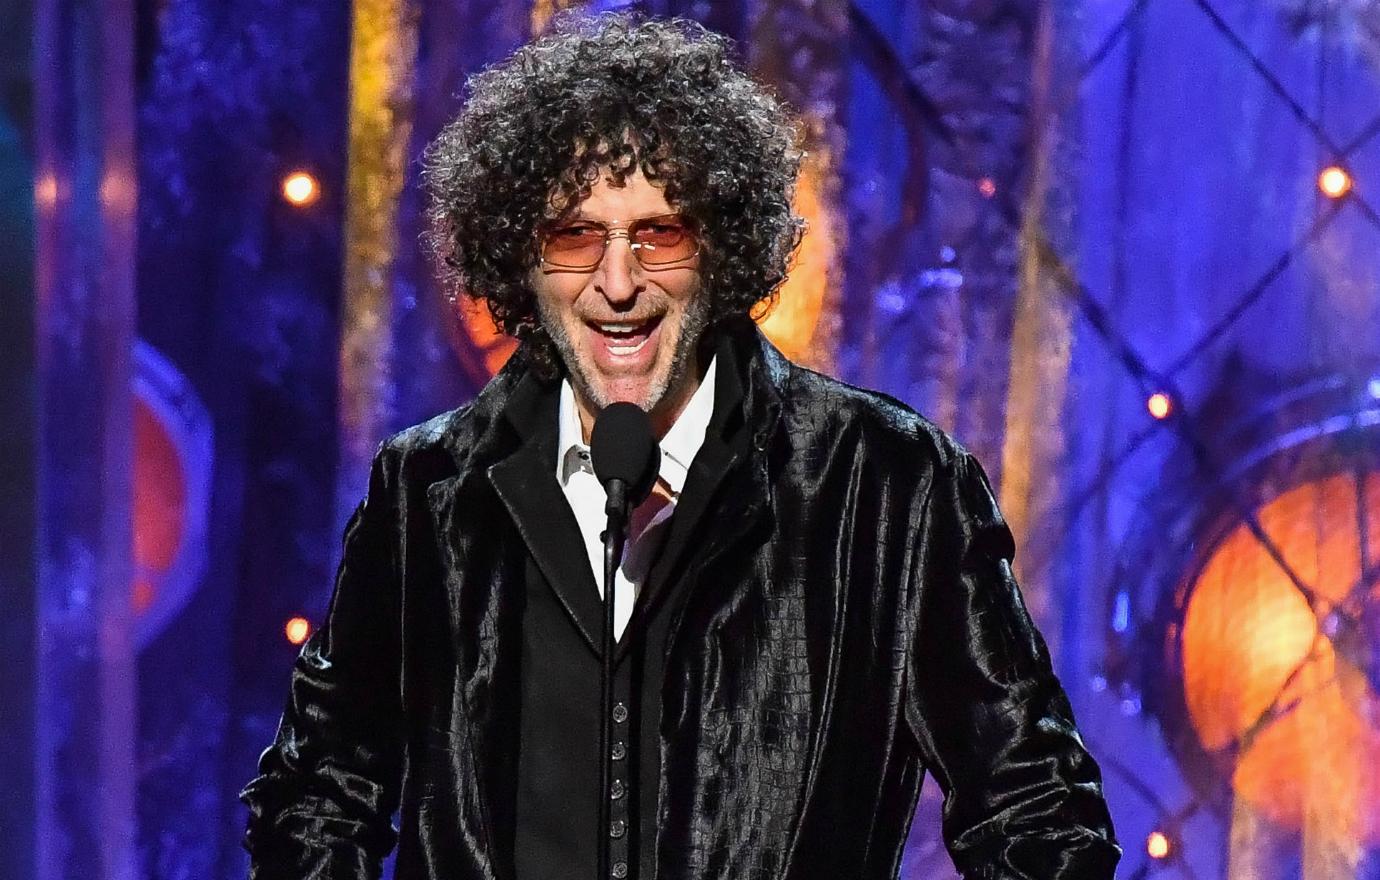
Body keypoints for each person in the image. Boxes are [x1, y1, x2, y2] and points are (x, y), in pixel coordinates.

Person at [240, 14, 1119, 880]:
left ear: (724, 246)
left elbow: (1038, 815)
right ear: (519, 258)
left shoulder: (888, 488)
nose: (616, 283)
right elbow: (315, 797)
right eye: (574, 235)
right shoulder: (430, 490)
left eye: (659, 234)